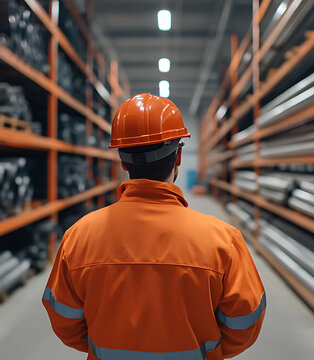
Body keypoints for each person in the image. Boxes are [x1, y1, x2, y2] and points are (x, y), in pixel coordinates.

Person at [42, 93, 266, 359]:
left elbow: (66, 324)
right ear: (179, 156)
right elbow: (245, 326)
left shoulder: (78, 237)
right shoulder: (223, 240)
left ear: (122, 161)